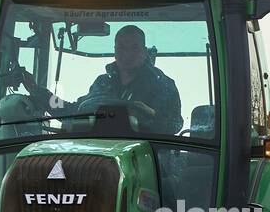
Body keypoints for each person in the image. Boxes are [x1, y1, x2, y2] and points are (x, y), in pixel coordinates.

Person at [14, 24, 182, 134]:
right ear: (114, 50)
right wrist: (37, 91)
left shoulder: (162, 84)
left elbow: (175, 124)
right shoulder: (103, 83)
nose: (127, 54)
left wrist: (147, 113)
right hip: (98, 153)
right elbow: (73, 111)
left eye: (134, 48)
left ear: (144, 51)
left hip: (148, 159)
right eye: (121, 48)